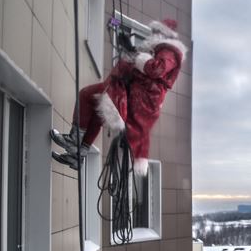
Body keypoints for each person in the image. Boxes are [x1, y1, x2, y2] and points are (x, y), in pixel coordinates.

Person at [51, 18, 187, 175]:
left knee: (86, 95)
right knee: (97, 112)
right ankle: (78, 153)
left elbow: (156, 69)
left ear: (163, 34)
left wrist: (136, 57)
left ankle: (74, 142)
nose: (152, 34)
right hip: (134, 93)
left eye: (156, 31)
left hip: (136, 95)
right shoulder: (162, 50)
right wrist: (133, 52)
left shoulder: (169, 51)